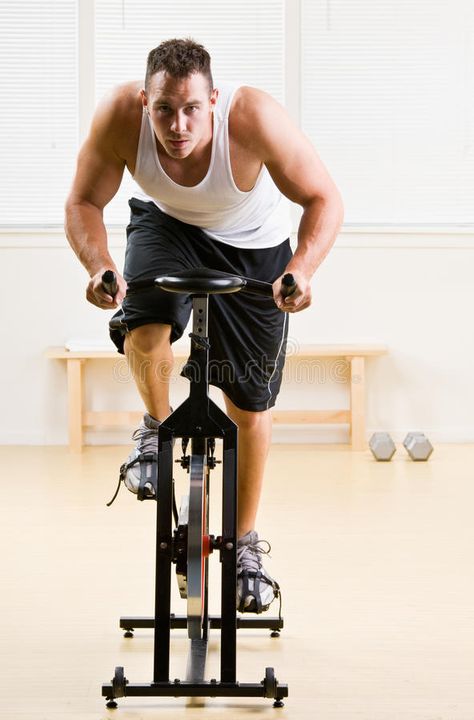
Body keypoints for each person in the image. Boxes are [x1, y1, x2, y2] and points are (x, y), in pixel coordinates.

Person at [65, 38, 343, 614]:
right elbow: (83, 201)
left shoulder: (254, 118)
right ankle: (154, 427)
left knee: (249, 408)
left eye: (192, 108)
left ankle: (243, 546)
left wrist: (302, 269)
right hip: (168, 228)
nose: (178, 124)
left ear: (213, 100)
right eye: (164, 109)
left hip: (254, 250)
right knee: (144, 323)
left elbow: (324, 198)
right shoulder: (120, 116)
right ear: (145, 101)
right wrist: (99, 267)